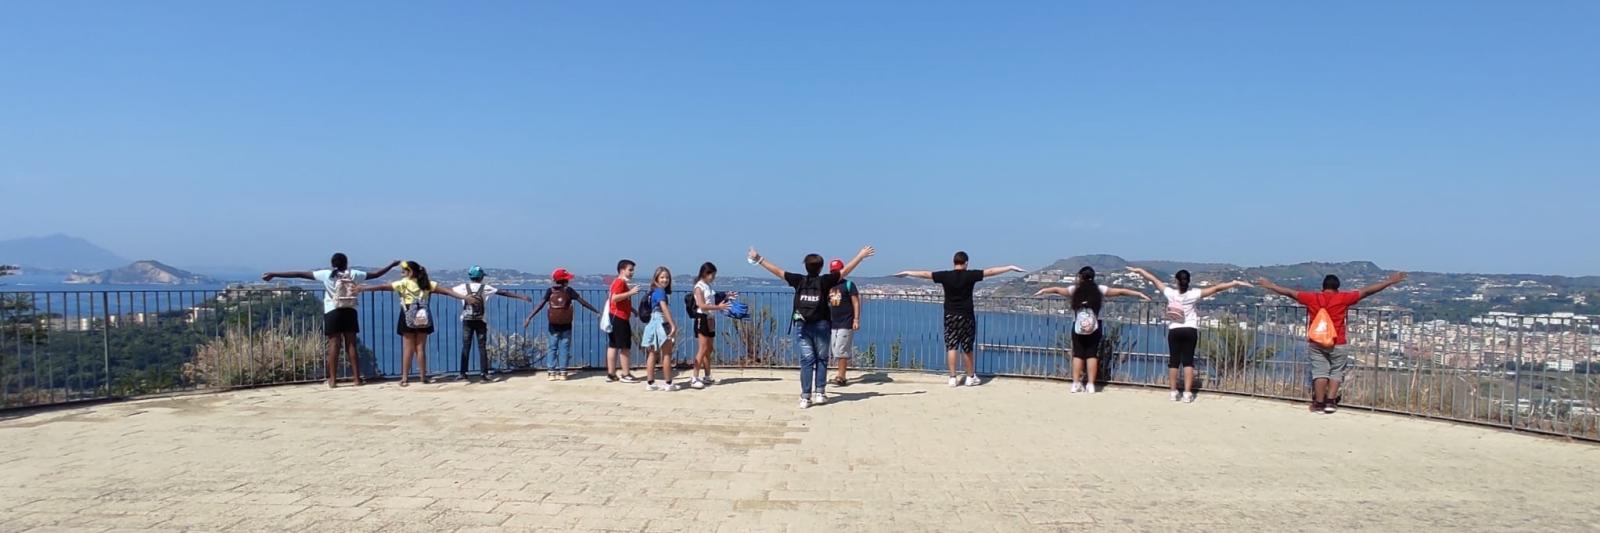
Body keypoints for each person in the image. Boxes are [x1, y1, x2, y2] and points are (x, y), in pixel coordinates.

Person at [1257, 272, 1407, 413]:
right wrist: (1389, 281)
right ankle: (1330, 402)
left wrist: (1270, 285)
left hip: (1317, 341)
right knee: (1336, 371)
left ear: (1323, 286)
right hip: (1338, 341)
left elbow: (1289, 292)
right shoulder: (1343, 298)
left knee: (1319, 371)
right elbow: (1367, 291)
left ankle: (1319, 403)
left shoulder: (1312, 298)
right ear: (1337, 287)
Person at [748, 245, 875, 409]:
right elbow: (845, 271)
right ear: (821, 267)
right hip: (822, 325)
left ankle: (805, 397)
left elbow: (778, 271)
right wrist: (860, 256)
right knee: (821, 359)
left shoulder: (798, 280)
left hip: (803, 325)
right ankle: (820, 393)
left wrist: (759, 259)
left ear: (805, 267)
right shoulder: (825, 281)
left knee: (807, 361)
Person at [261, 254, 401, 388]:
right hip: (350, 310)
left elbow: (299, 273)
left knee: (334, 345)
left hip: (332, 311)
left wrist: (274, 274)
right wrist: (391, 264)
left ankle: (332, 380)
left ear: (332, 264)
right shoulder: (354, 274)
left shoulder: (326, 274)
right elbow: (377, 274)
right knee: (351, 344)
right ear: (346, 263)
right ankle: (357, 379)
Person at [894, 252, 1025, 388]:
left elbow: (926, 274)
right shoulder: (970, 275)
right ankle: (970, 377)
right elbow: (990, 272)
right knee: (967, 347)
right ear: (966, 263)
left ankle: (952, 378)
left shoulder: (945, 276)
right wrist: (1009, 267)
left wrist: (908, 272)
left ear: (953, 262)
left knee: (951, 346)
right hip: (966, 315)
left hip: (950, 315)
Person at [1127, 267, 1251, 403]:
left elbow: (1153, 279)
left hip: (1175, 329)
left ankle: (1173, 392)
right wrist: (1234, 283)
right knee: (1188, 362)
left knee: (1173, 362)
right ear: (1189, 281)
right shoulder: (1194, 294)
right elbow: (1217, 288)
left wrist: (1138, 270)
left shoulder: (1170, 293)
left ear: (1176, 281)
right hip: (1190, 329)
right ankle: (1187, 393)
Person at [1034, 267, 1151, 394]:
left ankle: (1076, 383)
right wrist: (1138, 294)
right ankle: (1090, 384)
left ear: (1080, 277)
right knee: (1092, 355)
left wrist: (1043, 291)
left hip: (1077, 327)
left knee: (1078, 355)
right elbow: (1120, 291)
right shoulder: (1100, 290)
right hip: (1095, 327)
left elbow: (1056, 289)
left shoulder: (1074, 290)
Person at [360, 261, 465, 387]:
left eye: (404, 270)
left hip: (407, 315)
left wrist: (363, 288)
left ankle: (404, 378)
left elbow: (382, 287)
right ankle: (423, 376)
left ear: (410, 271)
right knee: (420, 348)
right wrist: (465, 298)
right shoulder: (427, 284)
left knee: (408, 349)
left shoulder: (403, 283)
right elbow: (447, 291)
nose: (402, 272)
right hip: (423, 317)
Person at [451, 265, 533, 383]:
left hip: (467, 320)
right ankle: (484, 374)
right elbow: (502, 292)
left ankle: (463, 374)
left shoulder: (463, 287)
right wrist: (521, 296)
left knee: (466, 347)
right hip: (481, 320)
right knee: (482, 347)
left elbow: (449, 291)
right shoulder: (485, 288)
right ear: (481, 277)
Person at [523, 268, 601, 381]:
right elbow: (583, 302)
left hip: (553, 324)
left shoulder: (550, 291)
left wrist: (529, 317)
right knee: (564, 347)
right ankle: (563, 372)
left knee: (552, 347)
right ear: (565, 280)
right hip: (566, 323)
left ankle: (551, 373)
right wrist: (596, 311)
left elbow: (540, 305)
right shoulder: (569, 291)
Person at [688, 262, 736, 390]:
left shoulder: (708, 286)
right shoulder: (699, 287)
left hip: (710, 318)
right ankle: (694, 377)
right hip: (702, 318)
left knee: (709, 348)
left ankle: (707, 375)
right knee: (702, 348)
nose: (713, 277)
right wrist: (718, 307)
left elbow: (713, 298)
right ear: (706, 273)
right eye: (712, 275)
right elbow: (702, 305)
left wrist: (726, 295)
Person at [639, 266, 680, 391]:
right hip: (661, 322)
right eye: (662, 277)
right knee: (666, 353)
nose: (665, 280)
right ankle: (668, 383)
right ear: (656, 278)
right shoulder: (661, 292)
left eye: (667, 277)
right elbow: (664, 308)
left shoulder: (652, 292)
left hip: (651, 323)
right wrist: (672, 324)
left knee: (652, 353)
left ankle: (650, 382)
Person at [605, 260, 644, 383]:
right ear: (622, 270)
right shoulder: (620, 282)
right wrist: (631, 292)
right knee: (625, 346)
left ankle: (611, 374)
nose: (632, 272)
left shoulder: (617, 282)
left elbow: (620, 300)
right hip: (619, 318)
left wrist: (632, 310)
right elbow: (615, 298)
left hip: (615, 316)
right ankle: (625, 374)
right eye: (630, 270)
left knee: (613, 345)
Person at [827, 259, 861, 387]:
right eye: (833, 271)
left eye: (837, 270)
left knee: (841, 349)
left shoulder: (849, 285)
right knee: (835, 348)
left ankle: (841, 376)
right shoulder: (829, 286)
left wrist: (856, 319)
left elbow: (856, 302)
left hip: (846, 321)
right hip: (832, 322)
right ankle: (839, 373)